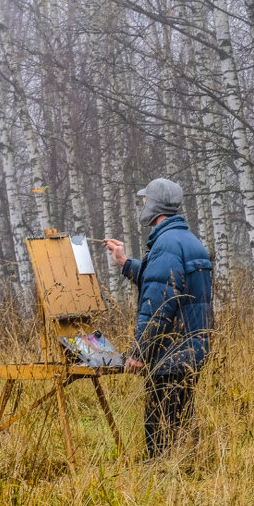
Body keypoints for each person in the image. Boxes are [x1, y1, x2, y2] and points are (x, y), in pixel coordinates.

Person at [103, 178, 212, 460]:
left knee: (161, 435)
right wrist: (126, 263)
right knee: (182, 426)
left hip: (169, 356)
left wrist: (139, 353)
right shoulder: (188, 241)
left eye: (145, 200)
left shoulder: (165, 245)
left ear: (154, 206)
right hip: (191, 352)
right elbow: (165, 282)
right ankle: (187, 477)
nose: (142, 204)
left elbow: (158, 305)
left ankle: (163, 484)